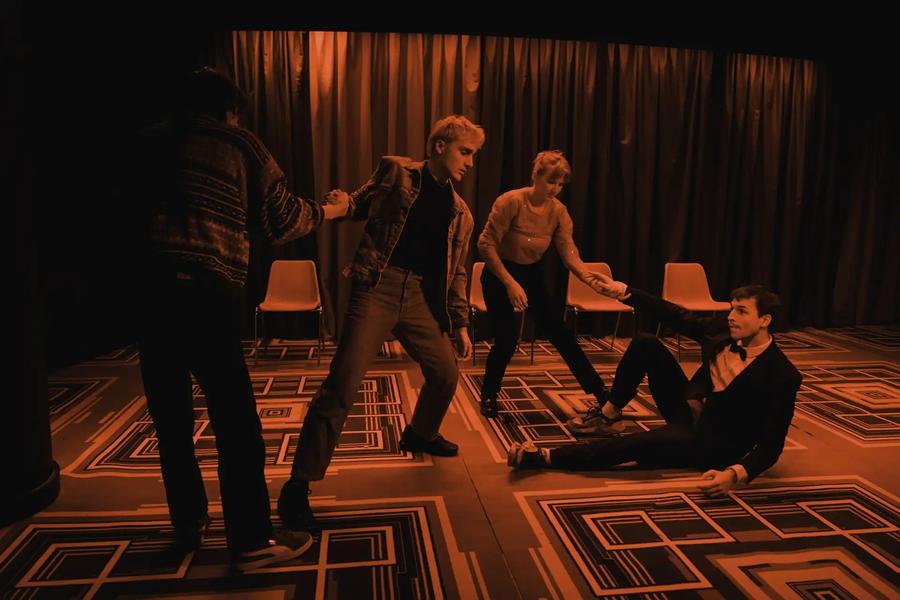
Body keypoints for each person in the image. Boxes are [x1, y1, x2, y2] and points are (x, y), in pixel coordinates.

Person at [134, 67, 349, 571]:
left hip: (151, 292)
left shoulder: (146, 142)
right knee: (236, 424)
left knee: (171, 419)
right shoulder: (239, 144)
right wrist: (334, 211)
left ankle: (188, 523)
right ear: (230, 110)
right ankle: (250, 542)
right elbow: (283, 220)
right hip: (206, 295)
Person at [278, 115, 485, 532]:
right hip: (378, 287)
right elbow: (357, 204)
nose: (469, 162)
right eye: (465, 152)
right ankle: (298, 486)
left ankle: (420, 433)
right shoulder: (398, 173)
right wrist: (336, 205)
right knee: (342, 385)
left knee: (446, 372)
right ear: (440, 146)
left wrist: (460, 323)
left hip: (420, 296)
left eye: (473, 155)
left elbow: (457, 271)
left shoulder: (460, 212)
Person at [507, 275, 802, 497]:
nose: (731, 317)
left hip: (709, 441)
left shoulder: (782, 375)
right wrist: (623, 291)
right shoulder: (722, 331)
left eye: (741, 311)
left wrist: (734, 474)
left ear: (764, 320)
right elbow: (672, 313)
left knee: (635, 444)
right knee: (646, 343)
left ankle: (544, 457)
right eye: (732, 309)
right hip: (689, 407)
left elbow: (771, 445)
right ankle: (609, 413)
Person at [476, 150, 610, 418]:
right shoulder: (511, 201)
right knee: (507, 338)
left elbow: (568, 250)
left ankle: (601, 393)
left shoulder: (558, 211)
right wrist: (510, 283)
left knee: (560, 333)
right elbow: (485, 245)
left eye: (560, 184)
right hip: (499, 274)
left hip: (531, 274)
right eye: (551, 181)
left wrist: (588, 277)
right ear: (535, 176)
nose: (555, 189)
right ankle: (489, 394)